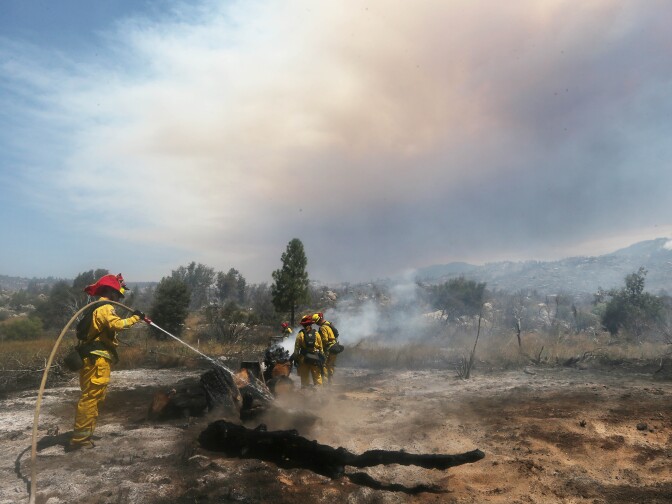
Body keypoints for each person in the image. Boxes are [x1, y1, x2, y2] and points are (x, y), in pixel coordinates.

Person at [69, 273, 145, 450]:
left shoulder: (98, 307)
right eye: (118, 295)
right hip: (97, 360)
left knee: (94, 398)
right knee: (91, 398)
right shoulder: (104, 308)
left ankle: (84, 436)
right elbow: (117, 325)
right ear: (111, 292)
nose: (119, 298)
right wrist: (136, 318)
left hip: (93, 359)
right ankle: (80, 441)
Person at [293, 314, 324, 388]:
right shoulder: (316, 333)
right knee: (317, 377)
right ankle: (320, 393)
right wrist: (322, 358)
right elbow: (321, 347)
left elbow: (296, 349)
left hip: (303, 358)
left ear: (303, 325)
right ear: (311, 324)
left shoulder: (300, 334)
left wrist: (295, 359)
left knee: (304, 377)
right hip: (315, 358)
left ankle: (306, 393)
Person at [313, 312, 339, 383]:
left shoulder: (322, 328)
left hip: (328, 348)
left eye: (316, 322)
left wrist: (319, 347)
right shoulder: (328, 324)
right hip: (335, 346)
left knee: (324, 365)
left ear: (319, 320)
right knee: (331, 365)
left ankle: (326, 384)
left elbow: (325, 340)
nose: (316, 324)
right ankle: (331, 382)